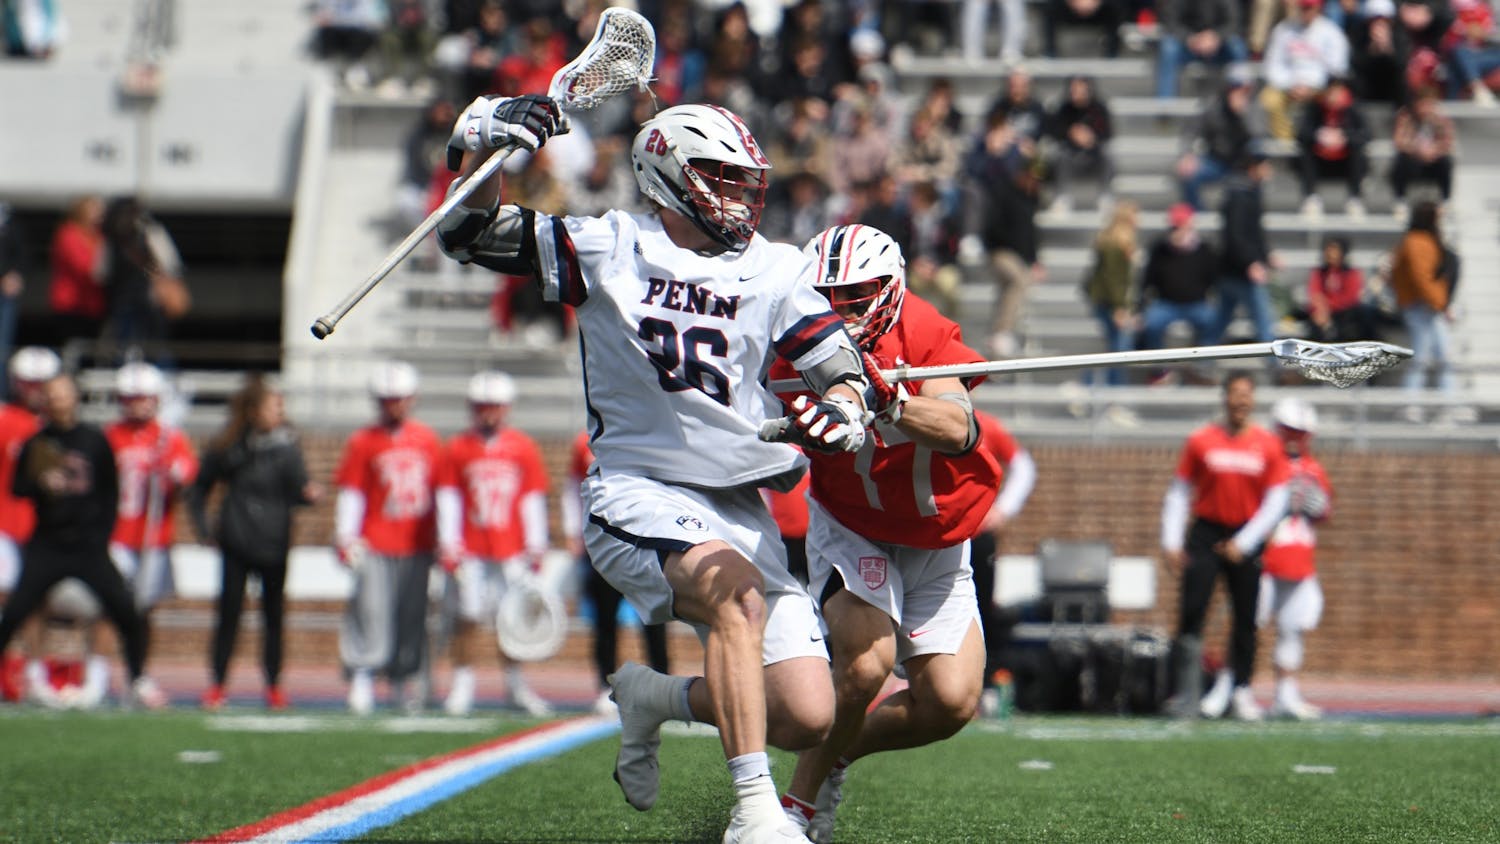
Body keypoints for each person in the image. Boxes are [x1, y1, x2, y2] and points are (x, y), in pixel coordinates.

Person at [439, 96, 873, 843]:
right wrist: (479, 143)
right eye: (721, 177)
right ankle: (755, 814)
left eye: (744, 179)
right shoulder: (611, 245)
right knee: (736, 601)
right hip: (639, 489)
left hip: (739, 505)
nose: (739, 194)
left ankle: (653, 698)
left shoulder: (776, 267)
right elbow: (465, 233)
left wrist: (845, 406)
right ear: (669, 173)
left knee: (806, 713)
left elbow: (838, 367)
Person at [767, 225, 998, 843]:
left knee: (949, 703)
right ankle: (793, 809)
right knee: (868, 664)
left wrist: (889, 401)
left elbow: (962, 430)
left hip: (936, 532)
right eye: (828, 297)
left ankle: (837, 754)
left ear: (891, 289)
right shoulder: (793, 341)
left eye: (858, 294)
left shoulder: (922, 331)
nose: (840, 312)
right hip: (852, 523)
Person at [0, 374, 167, 708]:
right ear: (46, 401)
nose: (59, 402)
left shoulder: (93, 439)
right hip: (48, 543)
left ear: (74, 398)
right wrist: (40, 479)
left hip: (88, 545)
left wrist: (101, 533)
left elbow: (110, 489)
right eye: (53, 396)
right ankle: (27, 675)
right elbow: (17, 487)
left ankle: (137, 679)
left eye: (64, 395)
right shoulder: (38, 442)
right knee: (16, 612)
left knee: (126, 611)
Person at [1161, 372, 1291, 721]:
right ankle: (1185, 692)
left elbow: (1277, 500)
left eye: (1247, 394)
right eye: (1235, 393)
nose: (1241, 401)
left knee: (1246, 617)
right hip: (1205, 533)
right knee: (1192, 611)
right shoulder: (1202, 440)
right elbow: (1179, 492)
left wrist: (1246, 541)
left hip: (1245, 536)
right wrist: (1171, 540)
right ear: (1225, 398)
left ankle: (1242, 691)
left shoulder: (1267, 444)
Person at [188, 376, 320, 711]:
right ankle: (217, 684)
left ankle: (273, 685)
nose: (280, 411)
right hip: (236, 541)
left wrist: (308, 494)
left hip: (274, 543)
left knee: (273, 618)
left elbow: (297, 489)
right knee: (229, 615)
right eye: (274, 405)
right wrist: (205, 529)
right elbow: (198, 488)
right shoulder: (231, 447)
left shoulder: (286, 447)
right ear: (254, 408)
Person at [435, 371, 552, 717]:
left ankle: (515, 685)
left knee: (512, 619)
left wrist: (536, 542)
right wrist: (449, 542)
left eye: (494, 407)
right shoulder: (458, 447)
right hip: (471, 546)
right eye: (482, 407)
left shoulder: (522, 447)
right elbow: (449, 497)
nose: (488, 414)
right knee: (467, 615)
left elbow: (532, 498)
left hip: (511, 546)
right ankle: (462, 684)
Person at [335, 361, 441, 715]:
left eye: (399, 398)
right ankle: (363, 674)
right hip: (376, 539)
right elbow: (353, 492)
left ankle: (402, 679)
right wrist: (346, 535)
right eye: (387, 399)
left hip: (417, 541)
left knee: (411, 615)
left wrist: (444, 537)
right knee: (371, 611)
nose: (393, 405)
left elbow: (442, 494)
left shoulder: (427, 439)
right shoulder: (363, 441)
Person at [564, 429, 670, 716]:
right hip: (602, 542)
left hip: (642, 539)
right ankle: (605, 684)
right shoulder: (583, 441)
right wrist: (574, 531)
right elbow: (574, 486)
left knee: (654, 617)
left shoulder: (644, 432)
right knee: (604, 620)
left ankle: (663, 684)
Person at [104, 361, 198, 676]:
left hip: (153, 536)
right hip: (116, 534)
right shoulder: (111, 436)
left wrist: (173, 472)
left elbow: (187, 473)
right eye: (132, 398)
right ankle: (104, 669)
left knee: (144, 610)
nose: (138, 404)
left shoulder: (169, 438)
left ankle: (138, 672)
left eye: (143, 397)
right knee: (110, 606)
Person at [1254, 397, 1331, 721]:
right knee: (1248, 627)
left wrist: (1318, 505)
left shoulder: (1313, 469)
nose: (1295, 438)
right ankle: (1235, 688)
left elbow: (1325, 512)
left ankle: (1286, 694)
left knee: (1293, 629)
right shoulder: (1264, 463)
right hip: (1265, 559)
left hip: (1299, 561)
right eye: (1290, 430)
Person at [967, 410, 1035, 720]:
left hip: (975, 532)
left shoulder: (986, 425)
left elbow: (1023, 466)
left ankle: (987, 687)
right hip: (933, 532)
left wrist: (1002, 511)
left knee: (981, 609)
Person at [1390, 201, 1458, 423]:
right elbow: (1423, 280)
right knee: (1424, 356)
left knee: (1442, 355)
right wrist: (1442, 305)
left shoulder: (1420, 240)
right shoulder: (1417, 241)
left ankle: (1448, 403)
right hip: (1421, 307)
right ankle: (1410, 404)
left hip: (1425, 306)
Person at [1, 348, 59, 601]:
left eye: (42, 384)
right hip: (6, 521)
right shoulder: (4, 419)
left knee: (40, 598)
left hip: (48, 525)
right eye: (29, 383)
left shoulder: (62, 427)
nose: (36, 390)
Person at [1177, 67, 1267, 210]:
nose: (1239, 93)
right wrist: (1186, 155)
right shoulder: (1214, 105)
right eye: (1235, 88)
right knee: (1189, 174)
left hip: (1245, 163)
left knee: (1258, 166)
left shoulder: (1255, 106)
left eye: (1244, 89)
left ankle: (1253, 217)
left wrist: (1243, 115)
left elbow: (1258, 134)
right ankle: (1200, 219)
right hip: (1216, 160)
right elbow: (1191, 131)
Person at [1261, 0, 1351, 141]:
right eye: (1303, 7)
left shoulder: (1331, 32)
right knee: (1269, 98)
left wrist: (1312, 86)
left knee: (1339, 97)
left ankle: (1322, 140)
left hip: (1320, 88)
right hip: (1289, 87)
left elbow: (1338, 68)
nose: (1306, 11)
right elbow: (1273, 65)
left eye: (1310, 7)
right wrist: (1290, 84)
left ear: (1318, 8)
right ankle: (1286, 142)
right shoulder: (1283, 29)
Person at [1214, 151, 1279, 345]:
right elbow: (1236, 235)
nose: (1269, 170)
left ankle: (1202, 363)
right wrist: (1251, 263)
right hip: (1240, 271)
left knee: (1220, 321)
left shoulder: (1249, 192)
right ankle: (1273, 366)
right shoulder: (1240, 195)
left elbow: (1254, 234)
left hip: (1235, 268)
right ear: (1254, 167)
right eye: (1265, 165)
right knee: (1263, 320)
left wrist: (1267, 256)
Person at [1295, 77, 1372, 219]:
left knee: (1358, 152)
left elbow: (1366, 135)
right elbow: (1301, 134)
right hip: (1321, 161)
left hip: (1345, 162)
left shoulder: (1353, 109)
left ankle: (1354, 199)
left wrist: (1345, 137)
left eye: (1338, 92)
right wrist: (1319, 135)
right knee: (1305, 153)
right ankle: (1311, 198)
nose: (1334, 96)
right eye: (1331, 92)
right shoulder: (1314, 108)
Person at [1084, 201, 1139, 388]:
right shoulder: (1117, 245)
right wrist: (1119, 308)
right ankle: (1108, 390)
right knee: (1120, 350)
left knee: (1116, 349)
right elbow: (1114, 279)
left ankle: (1098, 387)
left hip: (1106, 302)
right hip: (1111, 304)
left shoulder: (1110, 241)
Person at [1045, 75, 1115, 213]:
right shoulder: (1064, 109)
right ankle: (1062, 198)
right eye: (1074, 90)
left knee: (1107, 156)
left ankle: (1105, 197)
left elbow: (1107, 134)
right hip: (1070, 157)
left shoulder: (1099, 108)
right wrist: (1070, 133)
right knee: (1060, 155)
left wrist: (1091, 138)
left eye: (1080, 90)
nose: (1077, 94)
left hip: (1093, 157)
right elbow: (1053, 132)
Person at [1155, 0, 1249, 100]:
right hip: (1187, 47)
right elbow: (1171, 21)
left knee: (1237, 46)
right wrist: (1189, 38)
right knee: (1168, 47)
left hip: (1219, 47)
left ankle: (1238, 101)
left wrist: (1216, 37)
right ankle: (1165, 106)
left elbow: (1233, 21)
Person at [48, 196, 106, 347]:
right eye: (94, 210)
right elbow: (82, 266)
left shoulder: (99, 237)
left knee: (91, 349)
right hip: (71, 303)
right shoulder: (68, 234)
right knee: (71, 347)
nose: (99, 215)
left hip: (93, 304)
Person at [1390, 87, 1455, 219]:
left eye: (1430, 104)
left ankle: (1446, 202)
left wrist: (1434, 150)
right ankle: (1400, 202)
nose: (1426, 108)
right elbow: (1399, 142)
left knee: (1446, 161)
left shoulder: (1441, 119)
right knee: (1400, 161)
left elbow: (1448, 142)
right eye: (1423, 104)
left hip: (1433, 162)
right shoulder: (1406, 116)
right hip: (1413, 161)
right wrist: (1417, 150)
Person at [1305, 235, 1378, 342]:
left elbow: (1351, 297)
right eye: (1328, 249)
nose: (1330, 253)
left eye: (1334, 250)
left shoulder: (1351, 273)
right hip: (1323, 313)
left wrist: (1328, 307)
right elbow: (1314, 293)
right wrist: (1321, 308)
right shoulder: (1319, 273)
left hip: (1344, 314)